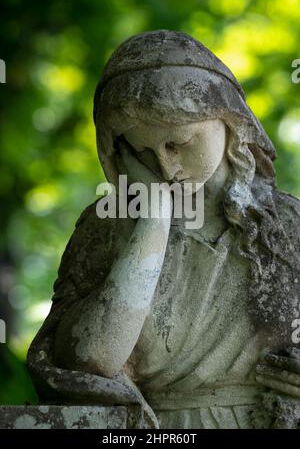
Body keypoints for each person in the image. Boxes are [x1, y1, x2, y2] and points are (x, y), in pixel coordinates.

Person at [27, 30, 300, 429]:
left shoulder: (289, 226)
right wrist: (153, 219)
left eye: (179, 143)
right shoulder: (107, 226)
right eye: (142, 151)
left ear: (230, 124)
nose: (166, 167)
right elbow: (91, 363)